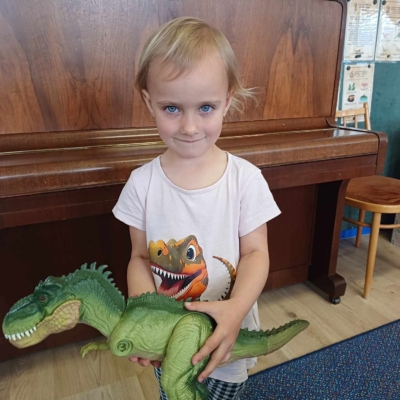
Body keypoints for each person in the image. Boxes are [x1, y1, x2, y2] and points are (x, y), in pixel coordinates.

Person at [112, 16, 281, 400]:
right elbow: (139, 257)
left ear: (228, 101)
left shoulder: (246, 179)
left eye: (206, 107)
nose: (189, 127)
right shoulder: (141, 184)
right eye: (172, 108)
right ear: (149, 102)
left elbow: (256, 253)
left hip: (227, 335)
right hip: (168, 337)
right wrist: (142, 313)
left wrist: (237, 309)